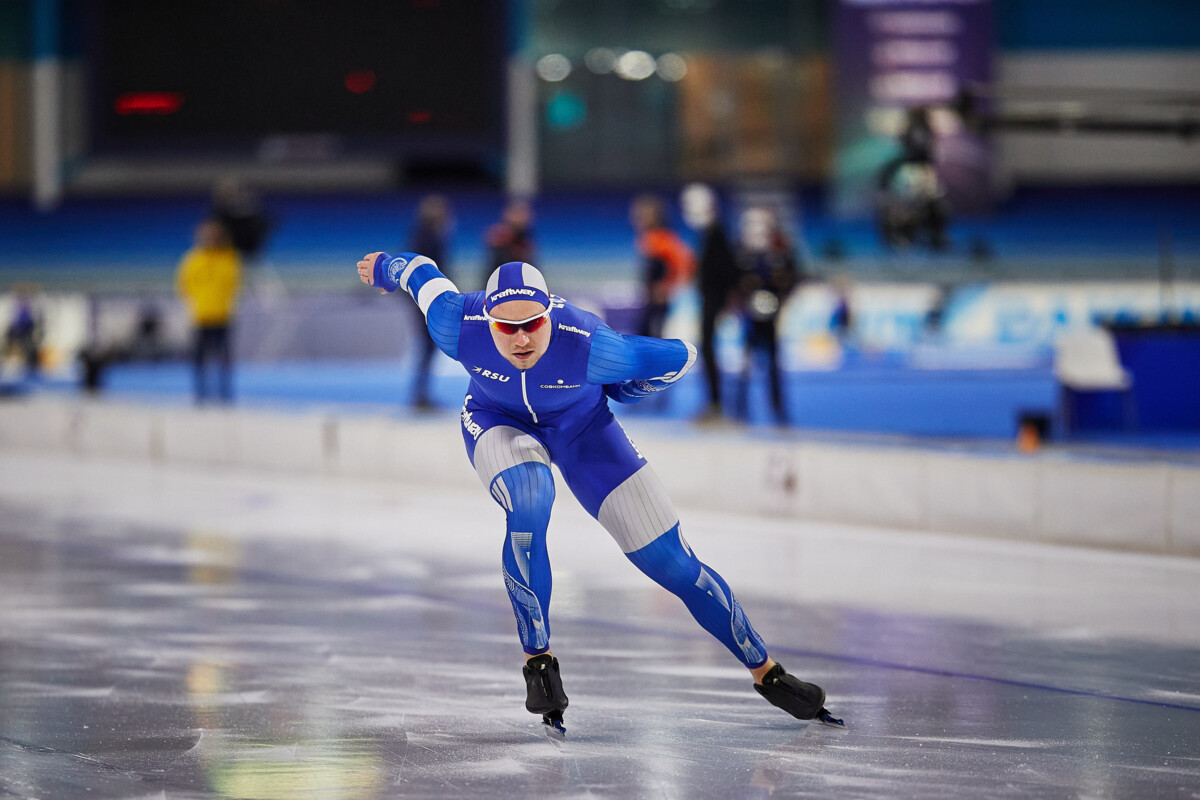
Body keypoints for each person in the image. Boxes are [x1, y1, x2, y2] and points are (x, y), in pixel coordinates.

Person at [355, 249, 839, 734]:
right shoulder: (456, 322)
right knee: (530, 495)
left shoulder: (593, 346)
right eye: (506, 327)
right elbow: (417, 270)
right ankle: (539, 662)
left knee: (672, 564)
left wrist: (626, 391)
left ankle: (767, 672)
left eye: (532, 324)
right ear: (488, 319)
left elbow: (681, 357)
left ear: (550, 314)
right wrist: (382, 267)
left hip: (586, 430)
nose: (521, 338)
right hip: (496, 421)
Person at [734, 207, 801, 426]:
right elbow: (732, 282)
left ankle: (777, 409)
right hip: (749, 319)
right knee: (746, 364)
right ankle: (740, 410)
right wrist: (738, 302)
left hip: (770, 319)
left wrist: (781, 300)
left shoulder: (780, 253)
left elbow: (792, 278)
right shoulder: (741, 254)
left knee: (772, 364)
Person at [681, 183, 739, 423]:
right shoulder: (710, 234)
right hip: (710, 299)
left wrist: (725, 298)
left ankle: (717, 405)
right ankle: (715, 404)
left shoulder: (715, 235)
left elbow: (727, 270)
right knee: (707, 349)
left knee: (708, 348)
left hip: (713, 300)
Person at [176, 220, 242, 404]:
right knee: (200, 359)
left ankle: (224, 394)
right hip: (201, 316)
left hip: (223, 316)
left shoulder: (229, 258)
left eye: (214, 235)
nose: (210, 239)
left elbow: (233, 283)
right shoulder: (193, 260)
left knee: (223, 359)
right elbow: (185, 285)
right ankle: (200, 393)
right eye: (207, 235)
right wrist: (196, 303)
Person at [407, 195, 454, 410]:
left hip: (426, 301)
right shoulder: (427, 239)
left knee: (428, 349)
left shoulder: (428, 236)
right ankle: (420, 395)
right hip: (426, 302)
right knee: (427, 348)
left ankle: (421, 394)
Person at [630, 194, 693, 340]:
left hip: (659, 299)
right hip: (650, 297)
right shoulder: (647, 237)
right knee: (644, 332)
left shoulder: (663, 238)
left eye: (642, 215)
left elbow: (684, 262)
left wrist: (667, 286)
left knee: (652, 334)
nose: (636, 218)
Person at [482, 199, 536, 290]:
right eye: (515, 213)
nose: (519, 217)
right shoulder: (499, 235)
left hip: (521, 284)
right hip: (498, 283)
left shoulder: (526, 239)